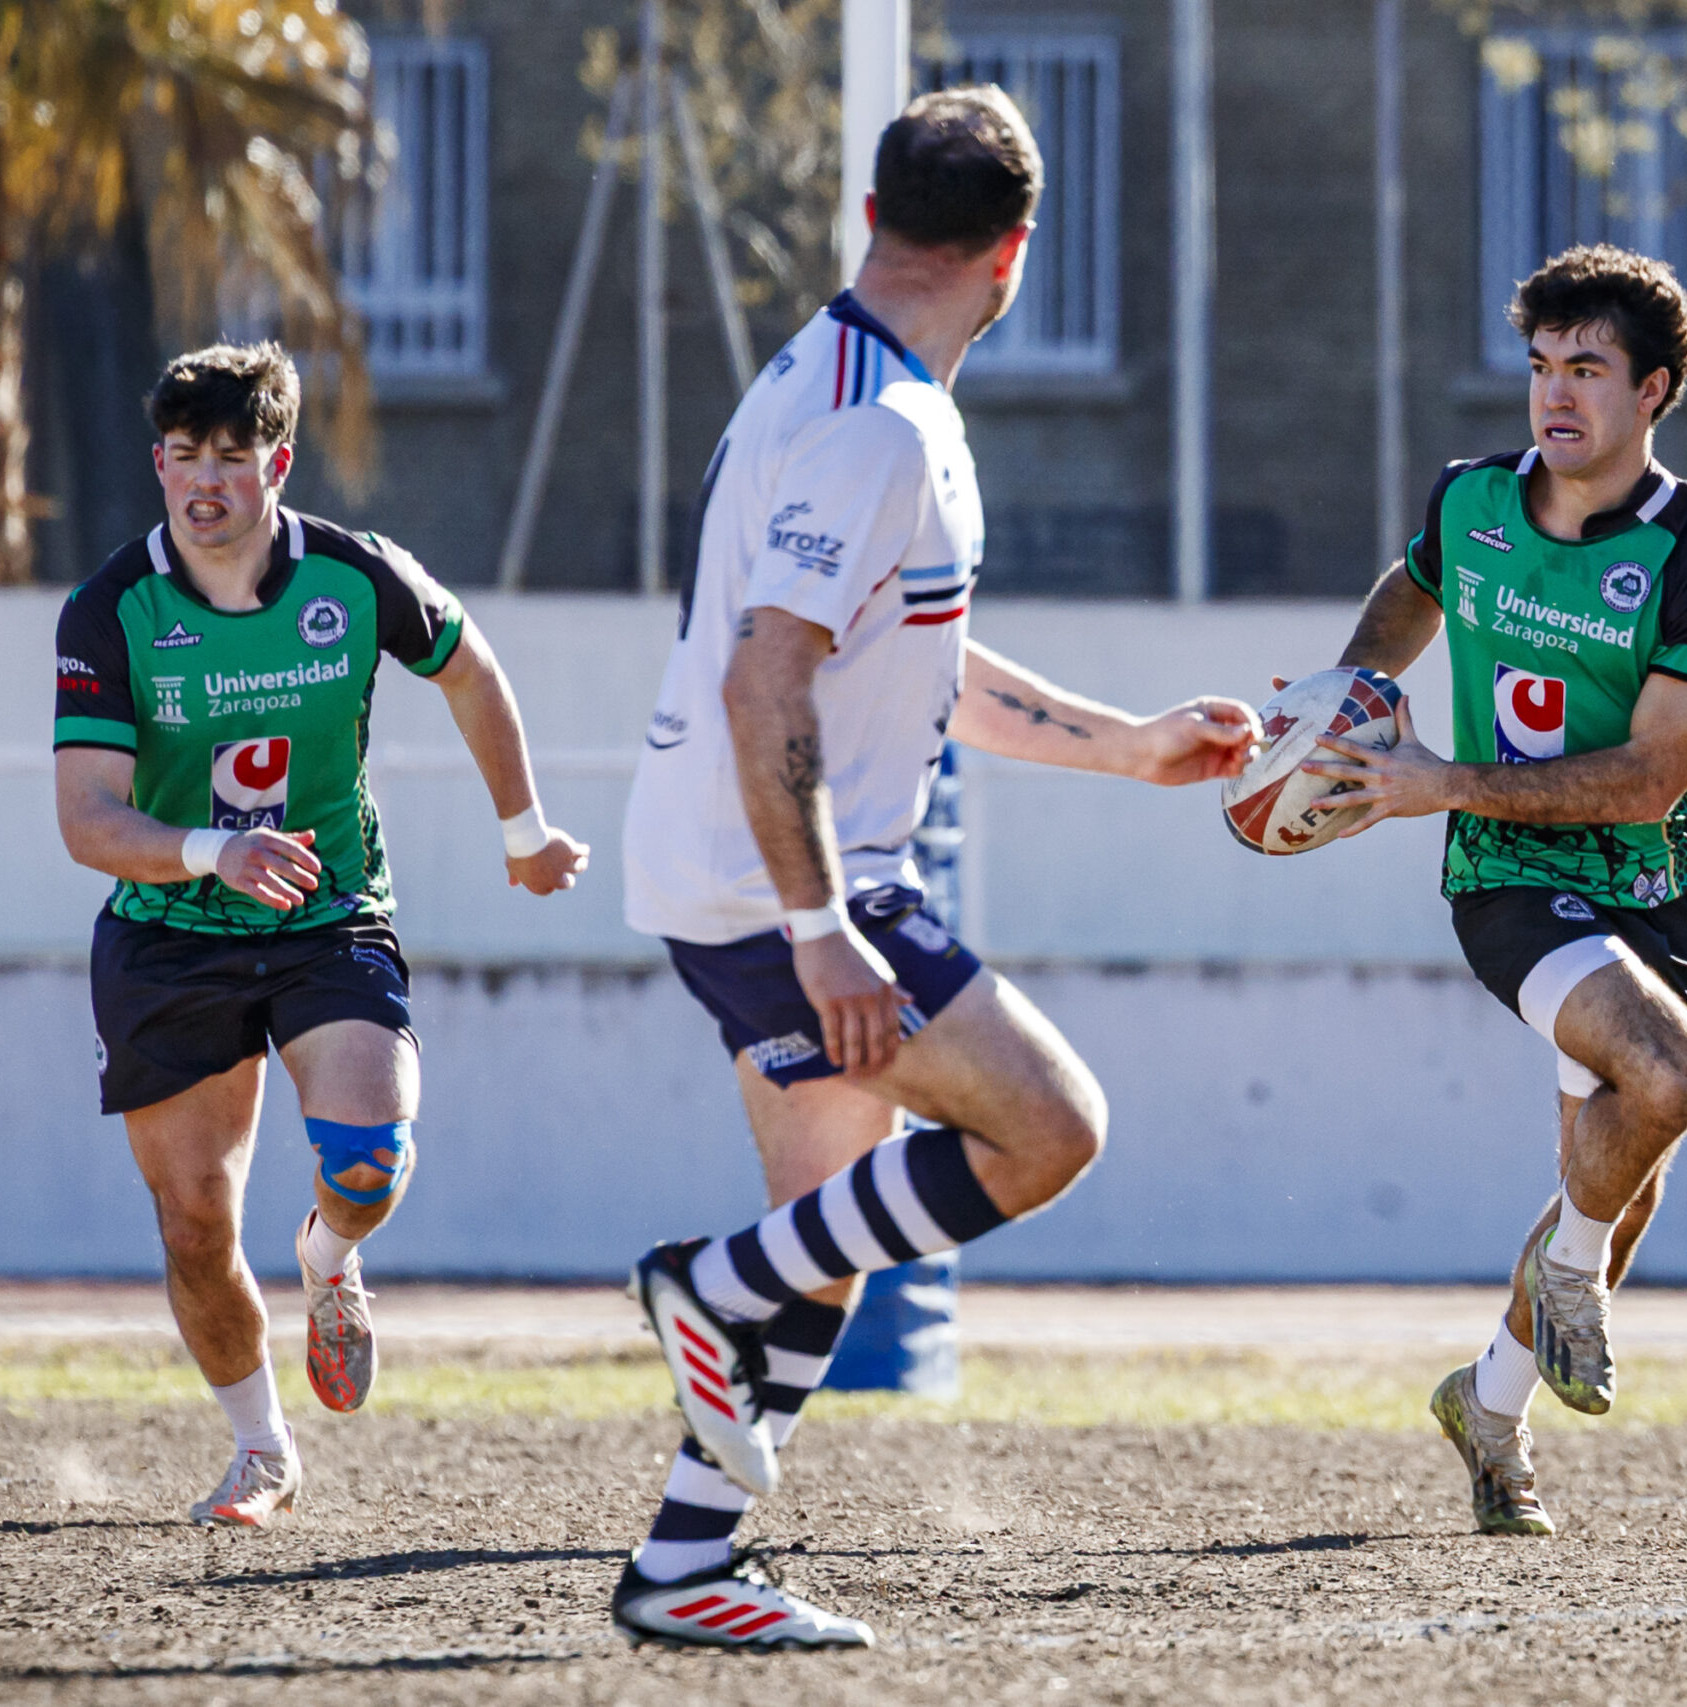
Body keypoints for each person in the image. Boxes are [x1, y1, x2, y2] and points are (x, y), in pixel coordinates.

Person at [611, 88, 1258, 1649]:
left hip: (738, 864)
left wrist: (1129, 746)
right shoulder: (885, 425)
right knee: (1049, 1128)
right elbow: (769, 680)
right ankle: (702, 1282)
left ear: (869, 218)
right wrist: (826, 925)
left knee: (832, 1226)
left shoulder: (843, 380)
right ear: (1018, 255)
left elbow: (914, 659)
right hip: (791, 879)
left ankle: (686, 1562)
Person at [52, 342, 589, 1526]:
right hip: (168, 928)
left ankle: (330, 1257)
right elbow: (87, 820)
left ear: (277, 464)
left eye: (232, 459)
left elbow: (471, 668)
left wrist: (523, 829)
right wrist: (212, 851)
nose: (205, 483)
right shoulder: (110, 611)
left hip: (325, 912)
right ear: (157, 462)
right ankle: (262, 1453)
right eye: (183, 456)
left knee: (365, 1164)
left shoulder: (353, 579)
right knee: (195, 1223)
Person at [1301, 245, 1687, 1537]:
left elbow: (1648, 776)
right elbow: (1411, 590)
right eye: (1541, 367)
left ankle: (1490, 1407)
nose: (1555, 396)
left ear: (1655, 389)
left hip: (1650, 880)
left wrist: (1441, 773)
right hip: (1508, 878)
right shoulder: (1470, 504)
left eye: (1588, 370)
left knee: (1612, 1193)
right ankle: (1562, 1281)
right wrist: (1354, 690)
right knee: (1668, 1076)